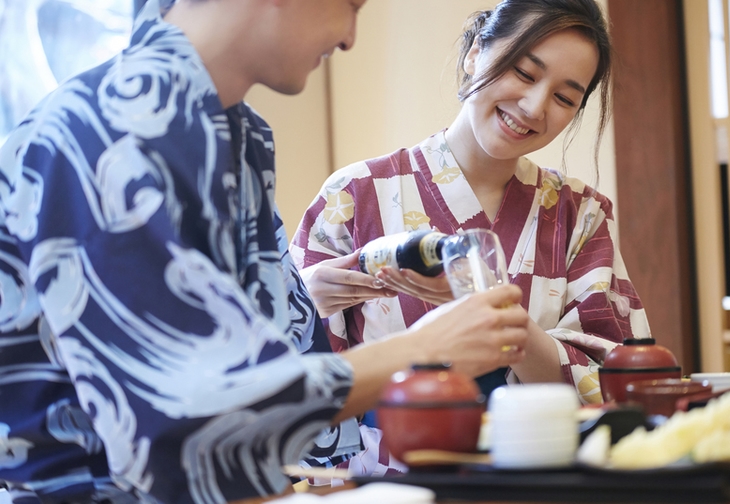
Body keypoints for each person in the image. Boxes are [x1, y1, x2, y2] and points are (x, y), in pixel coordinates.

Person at [0, 0, 530, 502]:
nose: (349, 39)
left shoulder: (242, 138)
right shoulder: (105, 132)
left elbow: (261, 373)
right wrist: (421, 350)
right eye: (351, 6)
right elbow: (181, 421)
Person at [291, 0, 652, 477]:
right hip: (389, 483)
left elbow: (622, 383)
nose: (534, 107)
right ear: (475, 52)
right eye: (524, 73)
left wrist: (513, 329)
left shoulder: (581, 214)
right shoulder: (355, 196)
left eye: (565, 98)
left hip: (541, 482)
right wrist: (306, 299)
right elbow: (279, 387)